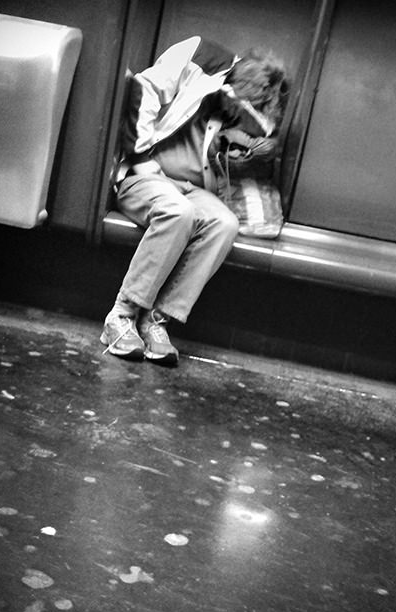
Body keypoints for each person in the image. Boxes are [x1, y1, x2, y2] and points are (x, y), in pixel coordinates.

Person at [100, 36, 288, 365]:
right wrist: (141, 156)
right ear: (234, 91)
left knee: (224, 224)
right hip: (144, 176)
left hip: (189, 187)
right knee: (178, 211)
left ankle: (155, 322)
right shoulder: (200, 55)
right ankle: (121, 315)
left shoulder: (230, 115)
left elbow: (259, 136)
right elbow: (144, 88)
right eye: (242, 110)